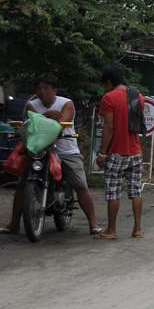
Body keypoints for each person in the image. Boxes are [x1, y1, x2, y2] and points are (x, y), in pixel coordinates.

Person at [1, 74, 100, 235]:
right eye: (39, 88)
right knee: (22, 185)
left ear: (54, 89)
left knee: (80, 185)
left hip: (65, 150)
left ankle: (93, 224)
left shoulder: (66, 103)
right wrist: (49, 115)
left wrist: (44, 118)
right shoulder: (31, 104)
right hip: (39, 149)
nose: (42, 91)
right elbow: (33, 123)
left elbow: (60, 125)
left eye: (46, 88)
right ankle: (14, 224)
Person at [94, 66, 145, 240]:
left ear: (109, 81)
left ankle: (111, 230)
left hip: (116, 152)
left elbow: (109, 126)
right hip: (135, 151)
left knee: (113, 191)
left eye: (104, 84)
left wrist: (102, 153)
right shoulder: (138, 96)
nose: (104, 88)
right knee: (136, 190)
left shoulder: (109, 98)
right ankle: (137, 229)